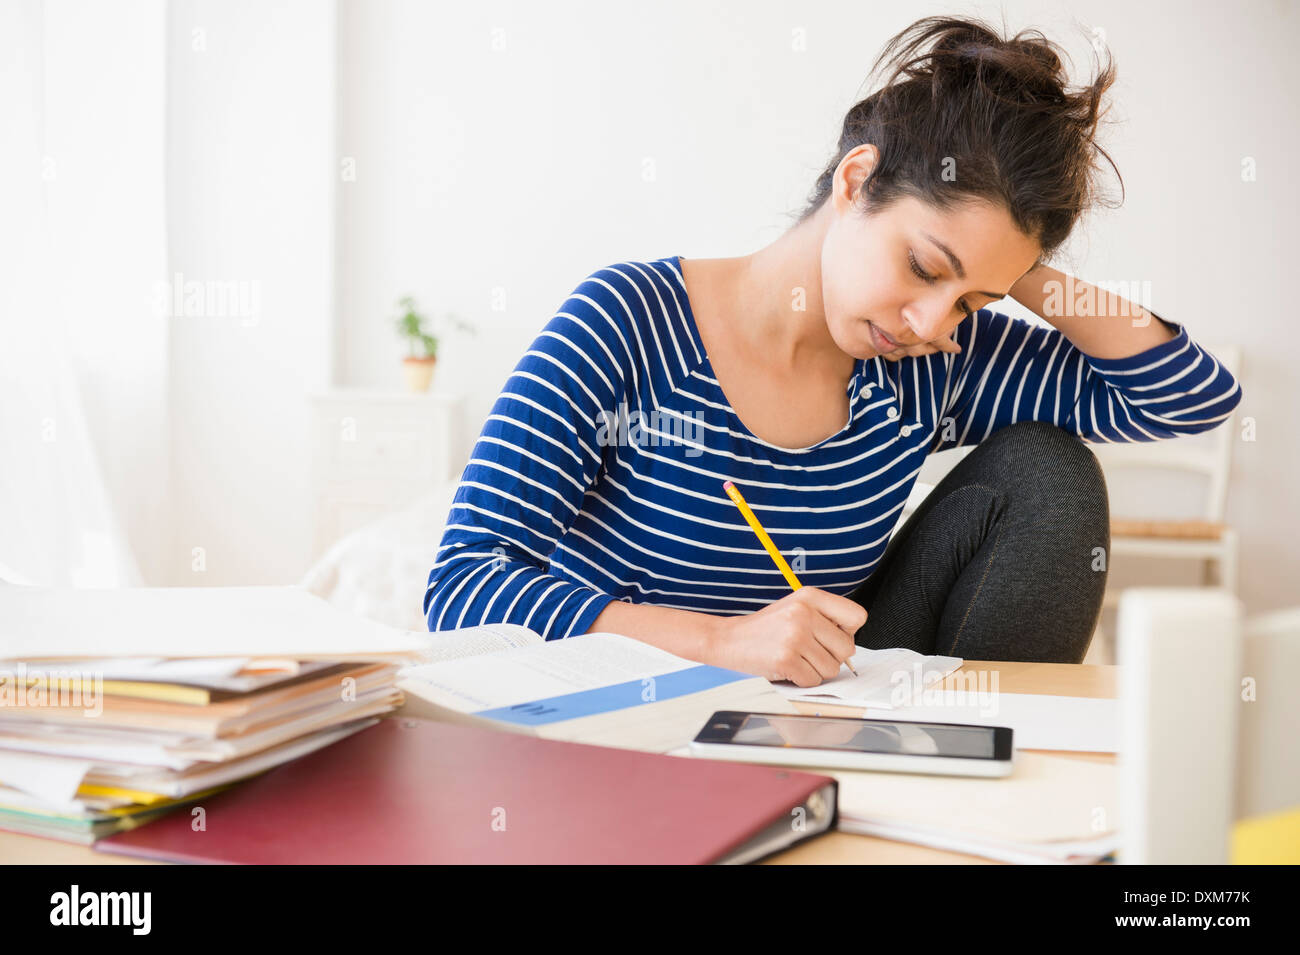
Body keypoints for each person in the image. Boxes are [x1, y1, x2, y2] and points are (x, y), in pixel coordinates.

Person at [423, 15, 1243, 685]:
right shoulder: (627, 319)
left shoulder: (936, 358)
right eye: (923, 265)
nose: (929, 320)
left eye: (971, 300)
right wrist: (721, 642)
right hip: (627, 709)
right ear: (856, 181)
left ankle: (976, 784)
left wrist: (1016, 270)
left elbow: (1189, 398)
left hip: (825, 702)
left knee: (1049, 475)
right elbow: (462, 585)